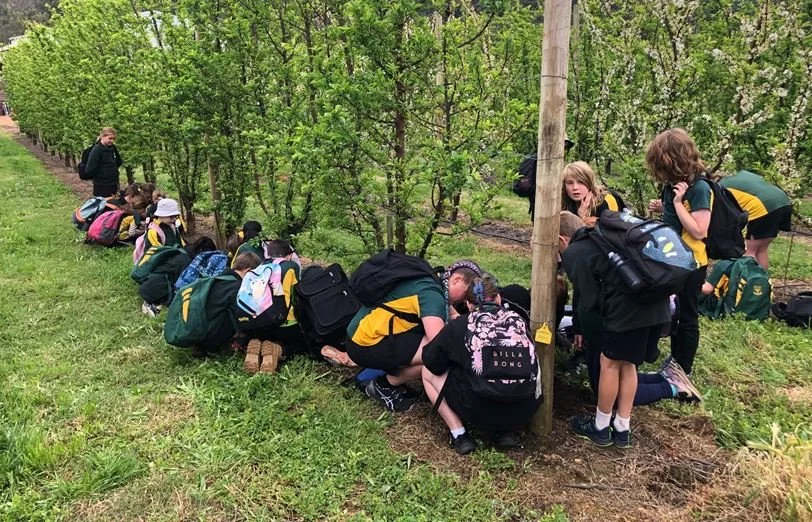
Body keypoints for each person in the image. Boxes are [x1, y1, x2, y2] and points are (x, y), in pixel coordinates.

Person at [561, 211, 672, 448]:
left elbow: (589, 299)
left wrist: (590, 333)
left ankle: (601, 426)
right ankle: (622, 427)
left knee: (609, 363)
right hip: (654, 304)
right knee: (629, 364)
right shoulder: (605, 238)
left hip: (626, 312)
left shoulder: (575, 252)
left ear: (562, 239)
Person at [422, 274, 542, 455]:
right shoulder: (519, 321)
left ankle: (459, 434)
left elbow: (432, 362)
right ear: (498, 298)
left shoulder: (461, 325)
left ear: (469, 305)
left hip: (477, 411)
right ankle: (504, 432)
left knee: (427, 372)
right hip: (524, 409)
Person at [345, 260, 481, 412]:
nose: (465, 300)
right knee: (436, 356)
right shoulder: (432, 296)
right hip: (363, 344)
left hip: (359, 333)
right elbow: (439, 344)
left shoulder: (432, 279)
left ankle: (388, 375)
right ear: (456, 280)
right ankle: (383, 385)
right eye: (466, 294)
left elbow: (453, 316)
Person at [646, 128, 710, 376]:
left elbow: (699, 230)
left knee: (687, 315)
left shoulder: (700, 188)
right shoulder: (673, 184)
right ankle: (673, 360)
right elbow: (678, 216)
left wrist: (676, 203)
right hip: (672, 258)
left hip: (691, 262)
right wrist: (664, 207)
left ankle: (683, 370)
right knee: (673, 312)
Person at [242, 240, 308, 374]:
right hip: (284, 324)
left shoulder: (259, 268)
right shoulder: (290, 267)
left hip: (257, 325)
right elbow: (297, 297)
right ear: (289, 255)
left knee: (267, 334)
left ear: (268, 254)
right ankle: (278, 349)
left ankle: (257, 344)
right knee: (302, 345)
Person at [720, 170, 792, 269]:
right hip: (784, 202)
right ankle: (762, 277)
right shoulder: (741, 174)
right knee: (761, 249)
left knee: (750, 251)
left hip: (764, 206)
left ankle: (748, 278)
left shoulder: (719, 187)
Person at [194, 252, 262, 357]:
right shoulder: (237, 288)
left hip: (198, 334)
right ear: (249, 271)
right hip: (211, 341)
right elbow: (244, 318)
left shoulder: (217, 279)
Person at [140, 237, 216, 317]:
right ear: (201, 251)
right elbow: (183, 286)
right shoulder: (186, 262)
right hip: (152, 289)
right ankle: (153, 303)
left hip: (149, 283)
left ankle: (155, 302)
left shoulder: (185, 250)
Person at [561, 161, 625, 226]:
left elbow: (614, 229)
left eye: (581, 182)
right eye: (570, 183)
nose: (575, 187)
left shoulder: (606, 199)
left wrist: (583, 219)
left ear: (589, 183)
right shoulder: (563, 203)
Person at [85, 127, 123, 197]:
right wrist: (103, 174)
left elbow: (119, 161)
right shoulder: (97, 150)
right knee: (103, 203)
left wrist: (112, 171)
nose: (112, 141)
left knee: (114, 201)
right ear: (102, 137)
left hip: (113, 183)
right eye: (110, 138)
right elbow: (90, 169)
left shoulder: (113, 148)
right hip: (101, 186)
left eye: (114, 139)